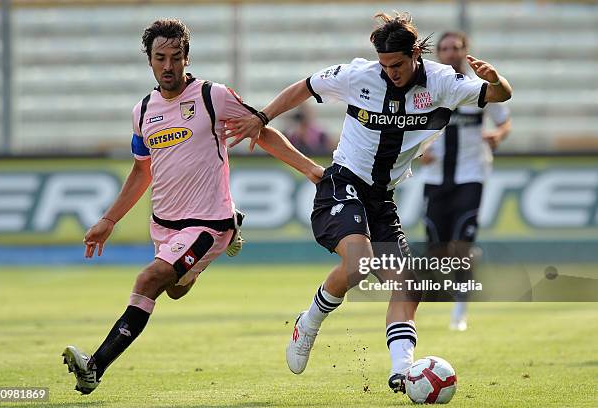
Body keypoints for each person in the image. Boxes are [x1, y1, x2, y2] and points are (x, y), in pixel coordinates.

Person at [225, 11, 512, 394]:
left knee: (410, 285)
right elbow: (304, 87)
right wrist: (261, 116)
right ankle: (308, 321)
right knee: (358, 264)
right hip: (343, 184)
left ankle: (403, 371)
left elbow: (500, 95)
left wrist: (495, 80)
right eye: (384, 65)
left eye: (397, 64)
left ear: (415, 56)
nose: (390, 72)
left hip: (381, 199)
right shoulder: (358, 75)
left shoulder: (442, 82)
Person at [62, 18, 323, 395]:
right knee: (175, 289)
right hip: (165, 224)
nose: (168, 66)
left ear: (186, 58)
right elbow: (141, 170)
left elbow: (260, 131)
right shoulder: (142, 111)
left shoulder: (211, 97)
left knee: (148, 280)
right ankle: (206, 256)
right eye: (160, 58)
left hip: (207, 221)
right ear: (149, 60)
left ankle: (94, 368)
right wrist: (109, 219)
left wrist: (312, 170)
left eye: (175, 57)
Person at [420, 31, 511, 331]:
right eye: (444, 48)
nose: (450, 53)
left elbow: (503, 119)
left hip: (471, 175)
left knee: (460, 245)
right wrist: (419, 151)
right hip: (435, 178)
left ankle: (460, 307)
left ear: (465, 51)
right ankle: (468, 257)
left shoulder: (479, 88)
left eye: (456, 48)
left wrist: (498, 135)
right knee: (437, 250)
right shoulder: (426, 88)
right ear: (438, 53)